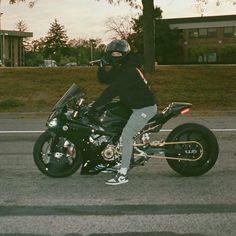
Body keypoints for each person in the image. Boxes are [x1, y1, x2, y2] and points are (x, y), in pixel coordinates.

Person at [92, 39, 157, 185]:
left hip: (144, 108)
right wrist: (101, 66)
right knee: (111, 120)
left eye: (118, 53)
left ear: (124, 54)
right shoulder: (121, 68)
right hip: (132, 105)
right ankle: (116, 160)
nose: (115, 56)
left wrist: (93, 108)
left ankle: (123, 174)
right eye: (112, 53)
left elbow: (111, 91)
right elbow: (105, 80)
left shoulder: (129, 71)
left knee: (127, 135)